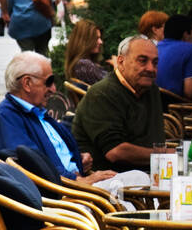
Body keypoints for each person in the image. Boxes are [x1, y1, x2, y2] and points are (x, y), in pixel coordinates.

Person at [0, 52, 116, 185]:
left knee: (133, 180)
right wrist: (77, 180)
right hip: (63, 198)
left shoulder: (35, 112)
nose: (53, 89)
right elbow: (31, 167)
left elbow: (48, 154)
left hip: (72, 185)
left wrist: (78, 159)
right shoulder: (6, 117)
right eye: (49, 82)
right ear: (27, 83)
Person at [71, 35, 166, 170]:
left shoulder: (151, 90)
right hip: (107, 182)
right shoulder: (102, 94)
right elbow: (115, 152)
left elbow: (156, 143)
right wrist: (166, 154)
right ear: (121, 62)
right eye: (142, 61)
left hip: (148, 174)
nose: (151, 68)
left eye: (155, 63)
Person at [155, 14, 192, 100]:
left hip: (153, 106)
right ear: (185, 35)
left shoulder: (154, 48)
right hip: (175, 108)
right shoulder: (190, 49)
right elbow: (191, 93)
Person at [64, 19, 109, 85]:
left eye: (100, 38)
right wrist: (118, 67)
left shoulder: (82, 64)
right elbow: (112, 88)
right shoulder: (84, 65)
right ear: (85, 41)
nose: (101, 42)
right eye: (96, 38)